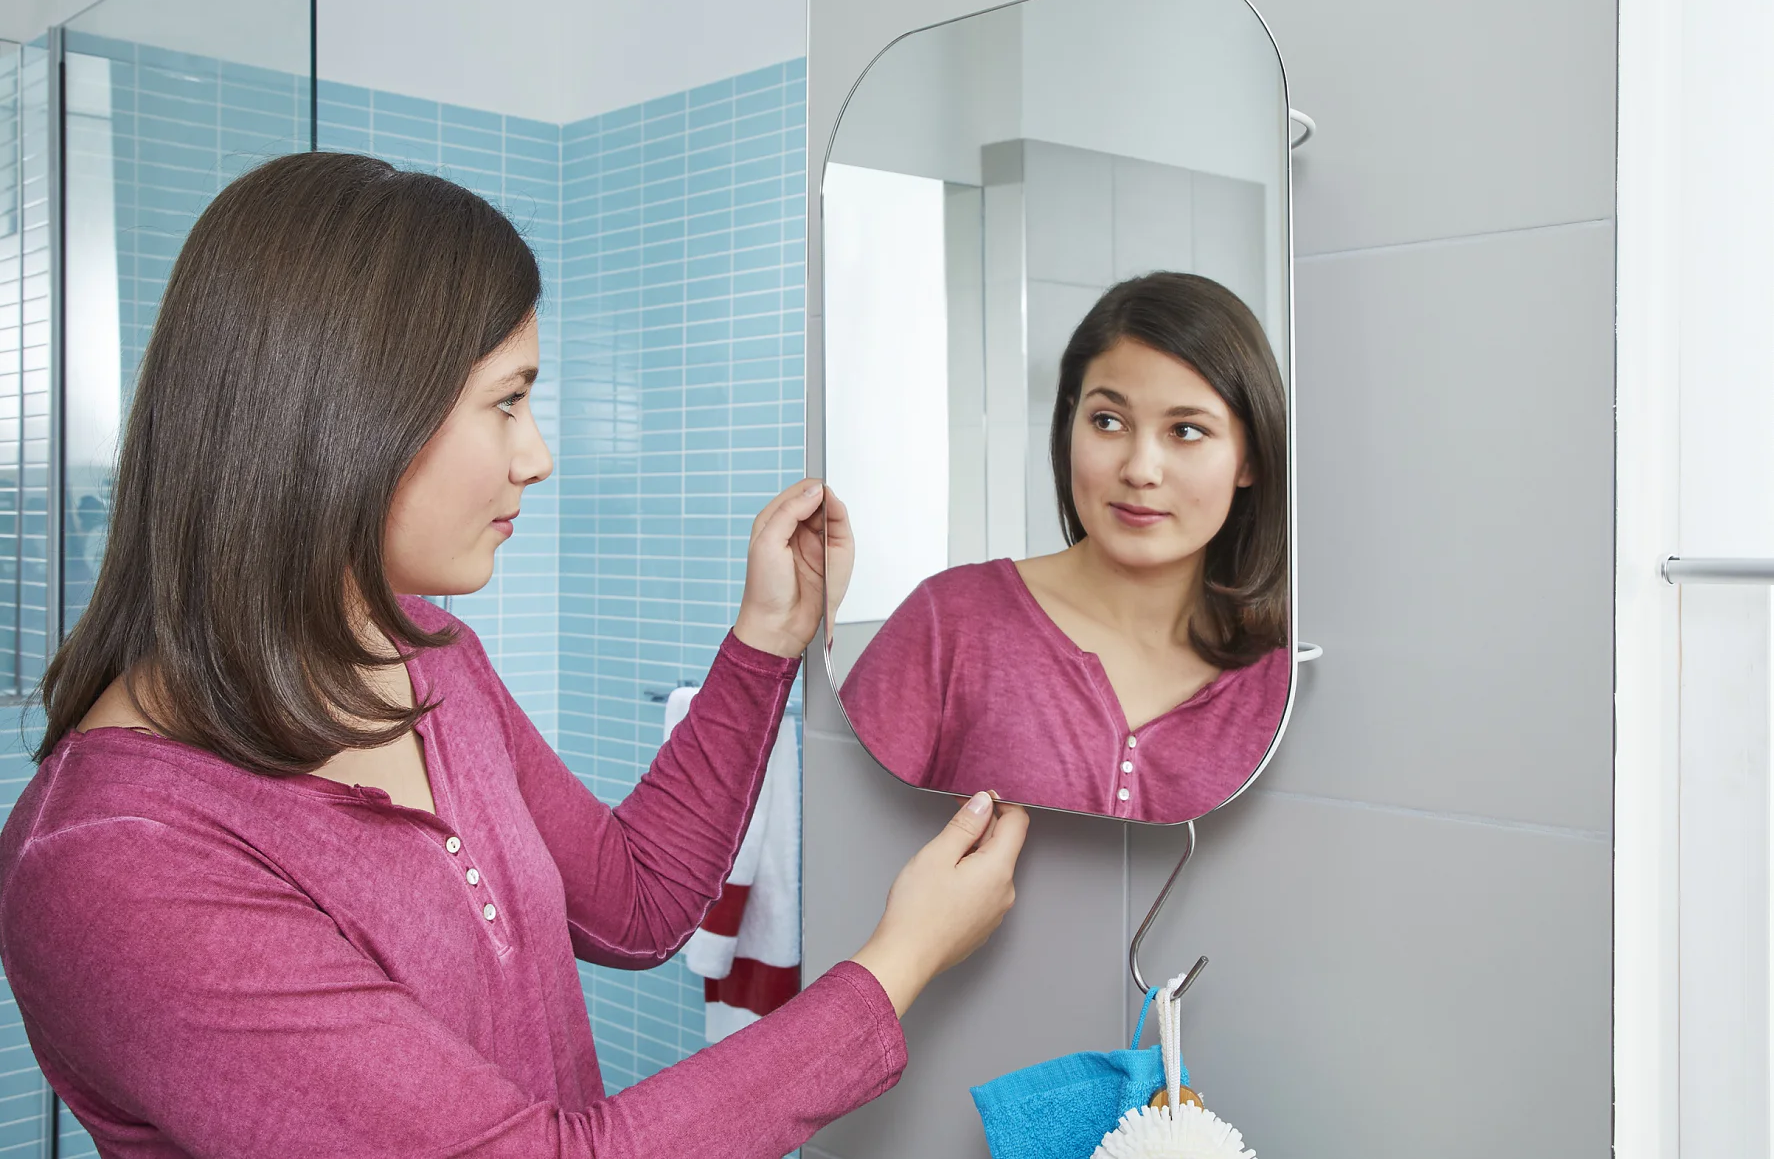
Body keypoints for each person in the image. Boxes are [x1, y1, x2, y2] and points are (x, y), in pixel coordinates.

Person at [0, 152, 1029, 1158]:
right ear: (349, 413)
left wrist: (765, 639)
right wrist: (898, 963)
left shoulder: (425, 654)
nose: (535, 455)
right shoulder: (115, 861)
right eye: (507, 400)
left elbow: (636, 902)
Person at [840, 272, 1291, 822]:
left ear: (1251, 459)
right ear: (1069, 423)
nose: (1140, 470)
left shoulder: (1285, 681)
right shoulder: (950, 623)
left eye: (1187, 431)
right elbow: (837, 845)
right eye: (1108, 421)